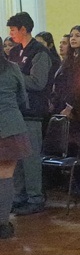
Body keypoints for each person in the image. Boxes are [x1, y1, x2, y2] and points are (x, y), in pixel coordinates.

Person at [6, 12, 52, 216]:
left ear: (23, 29)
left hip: (32, 112)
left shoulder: (39, 52)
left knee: (31, 157)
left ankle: (35, 197)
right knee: (16, 156)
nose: (11, 34)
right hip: (16, 112)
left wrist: (15, 77)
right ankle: (19, 195)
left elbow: (38, 82)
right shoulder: (15, 51)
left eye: (13, 30)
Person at [53, 25, 80, 155]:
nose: (73, 39)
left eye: (77, 36)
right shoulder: (70, 59)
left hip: (78, 108)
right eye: (72, 35)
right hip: (62, 103)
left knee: (75, 144)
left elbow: (79, 85)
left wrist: (70, 106)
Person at [0, 52, 31, 238]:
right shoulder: (12, 68)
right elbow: (22, 98)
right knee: (5, 177)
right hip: (10, 126)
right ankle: (2, 224)